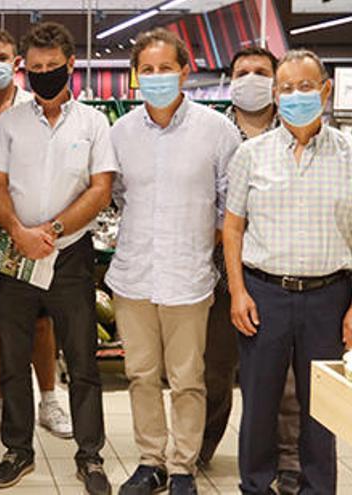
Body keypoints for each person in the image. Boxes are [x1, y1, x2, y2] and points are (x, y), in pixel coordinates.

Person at [106, 28, 241, 495]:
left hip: (189, 276)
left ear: (185, 71)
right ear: (136, 77)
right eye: (148, 70)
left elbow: (231, 205)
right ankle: (150, 462)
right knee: (140, 374)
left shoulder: (217, 130)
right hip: (134, 274)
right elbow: (118, 194)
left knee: (188, 378)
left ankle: (182, 466)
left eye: (166, 68)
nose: (157, 77)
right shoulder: (120, 132)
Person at [0, 22, 114, 494]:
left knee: (82, 359)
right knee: (14, 357)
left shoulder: (93, 123)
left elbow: (101, 188)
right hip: (17, 254)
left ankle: (91, 455)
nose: (43, 74)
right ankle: (17, 450)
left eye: (51, 67)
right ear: (25, 69)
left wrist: (54, 230)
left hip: (71, 255)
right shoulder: (11, 123)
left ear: (70, 65)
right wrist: (20, 232)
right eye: (34, 68)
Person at [224, 49, 352, 495]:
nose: (296, 95)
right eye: (287, 88)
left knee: (323, 407)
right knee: (259, 403)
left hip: (329, 296)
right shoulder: (251, 155)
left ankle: (319, 488)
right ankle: (255, 485)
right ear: (275, 96)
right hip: (264, 294)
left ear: (325, 90)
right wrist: (238, 292)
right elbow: (233, 227)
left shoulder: (349, 154)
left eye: (306, 86)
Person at [0, 28, 71, 440]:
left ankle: (49, 400)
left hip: (30, 236)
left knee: (41, 323)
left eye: (3, 56)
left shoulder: (36, 107)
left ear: (16, 63)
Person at [199, 46, 301, 493]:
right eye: (244, 72)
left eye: (262, 72)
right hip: (219, 274)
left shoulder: (297, 129)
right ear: (230, 79)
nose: (253, 79)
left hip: (279, 271)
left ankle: (289, 461)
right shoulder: (209, 132)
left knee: (286, 380)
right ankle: (201, 445)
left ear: (276, 81)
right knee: (214, 371)